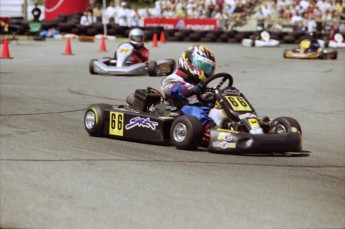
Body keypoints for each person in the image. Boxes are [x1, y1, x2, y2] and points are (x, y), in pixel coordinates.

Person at [161, 45, 217, 143]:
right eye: (203, 66)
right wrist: (190, 90)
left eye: (208, 68)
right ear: (189, 61)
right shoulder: (173, 78)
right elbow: (171, 90)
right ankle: (209, 128)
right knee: (193, 110)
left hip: (200, 107)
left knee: (220, 107)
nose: (206, 71)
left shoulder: (197, 83)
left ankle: (238, 125)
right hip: (180, 109)